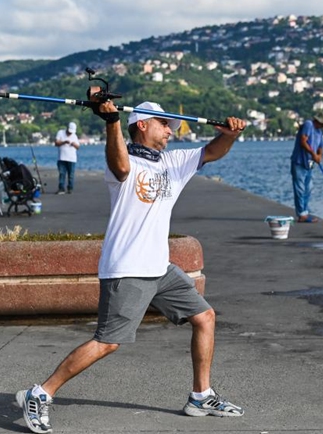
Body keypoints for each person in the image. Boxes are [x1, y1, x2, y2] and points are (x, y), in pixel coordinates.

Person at [15, 93, 247, 434]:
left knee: (205, 317)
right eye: (164, 124)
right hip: (127, 269)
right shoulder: (124, 160)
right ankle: (39, 394)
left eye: (171, 125)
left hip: (160, 268)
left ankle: (200, 396)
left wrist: (230, 134)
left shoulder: (174, 162)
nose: (170, 131)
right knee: (108, 341)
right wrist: (110, 122)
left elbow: (212, 152)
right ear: (141, 125)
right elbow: (120, 165)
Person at [290, 112, 323, 223]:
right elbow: (303, 140)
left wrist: (319, 156)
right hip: (299, 162)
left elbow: (320, 147)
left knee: (308, 188)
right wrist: (313, 154)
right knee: (300, 188)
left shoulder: (319, 132)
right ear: (319, 121)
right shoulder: (309, 125)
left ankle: (305, 211)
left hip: (309, 164)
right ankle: (301, 214)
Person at [54, 121, 80, 194]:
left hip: (72, 158)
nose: (70, 133)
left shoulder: (74, 136)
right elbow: (56, 143)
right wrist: (64, 142)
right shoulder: (60, 133)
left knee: (71, 175)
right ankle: (61, 188)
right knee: (62, 174)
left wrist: (74, 144)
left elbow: (78, 147)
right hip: (62, 158)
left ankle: (70, 188)